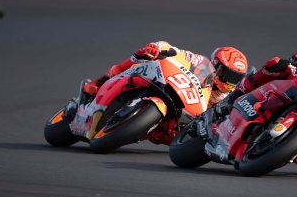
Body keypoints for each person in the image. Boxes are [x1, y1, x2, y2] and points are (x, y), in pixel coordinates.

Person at [73, 41, 248, 144]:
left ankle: (131, 125)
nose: (229, 81)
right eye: (227, 74)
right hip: (169, 87)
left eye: (234, 77)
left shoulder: (226, 98)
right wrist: (158, 49)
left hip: (177, 128)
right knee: (140, 61)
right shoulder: (199, 63)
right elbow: (174, 51)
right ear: (215, 65)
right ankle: (100, 83)